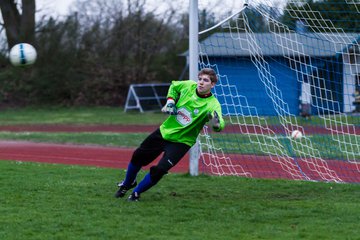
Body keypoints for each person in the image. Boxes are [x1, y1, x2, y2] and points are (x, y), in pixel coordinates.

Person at [115, 68, 225, 201]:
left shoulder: (212, 104)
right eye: (200, 79)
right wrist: (170, 102)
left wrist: (216, 124)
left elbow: (219, 123)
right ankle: (128, 184)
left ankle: (136, 193)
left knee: (160, 170)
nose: (201, 83)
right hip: (164, 132)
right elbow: (174, 85)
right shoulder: (188, 86)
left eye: (206, 80)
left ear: (212, 85)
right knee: (138, 157)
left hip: (181, 142)